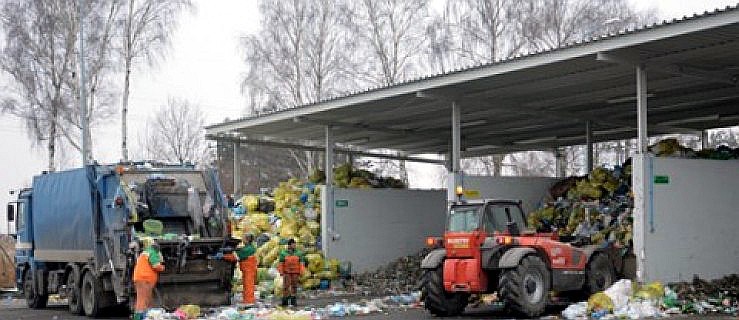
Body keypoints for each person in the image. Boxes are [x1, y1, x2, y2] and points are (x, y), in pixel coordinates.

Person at [132, 241, 165, 320]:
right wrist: (163, 267)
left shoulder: (146, 252)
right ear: (157, 249)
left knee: (146, 301)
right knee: (143, 301)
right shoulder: (152, 252)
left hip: (142, 279)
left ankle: (146, 317)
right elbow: (156, 266)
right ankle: (138, 318)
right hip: (144, 279)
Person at [221, 233, 257, 305]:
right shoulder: (249, 247)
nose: (242, 240)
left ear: (247, 240)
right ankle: (247, 300)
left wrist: (223, 256)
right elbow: (241, 251)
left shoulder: (247, 250)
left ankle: (249, 301)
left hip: (248, 270)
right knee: (247, 285)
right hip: (248, 269)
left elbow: (235, 257)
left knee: (248, 286)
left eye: (243, 238)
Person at [277, 238, 305, 307]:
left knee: (294, 286)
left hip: (295, 273)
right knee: (286, 286)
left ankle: (293, 301)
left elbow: (301, 263)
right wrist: (281, 272)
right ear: (289, 245)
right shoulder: (283, 253)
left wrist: (301, 272)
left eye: (295, 244)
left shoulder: (299, 253)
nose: (294, 246)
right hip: (287, 272)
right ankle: (285, 301)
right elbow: (281, 263)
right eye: (293, 245)